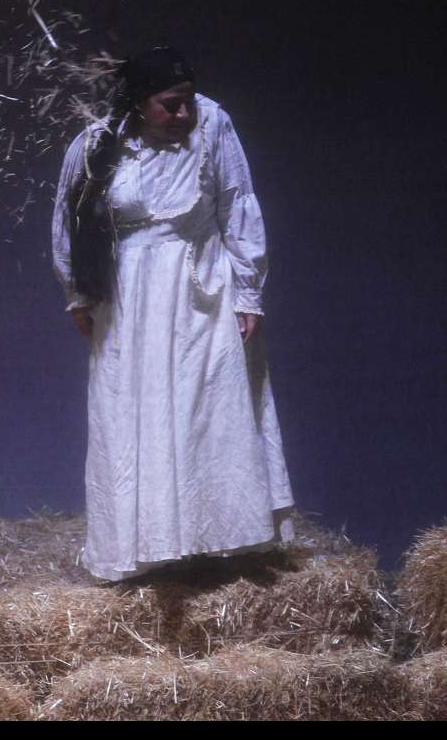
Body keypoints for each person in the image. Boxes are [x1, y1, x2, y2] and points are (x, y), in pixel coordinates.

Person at [52, 47, 294, 582]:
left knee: (206, 409)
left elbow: (237, 203)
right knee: (132, 414)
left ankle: (218, 541)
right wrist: (79, 293)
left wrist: (247, 293)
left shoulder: (213, 124)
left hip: (201, 293)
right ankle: (149, 547)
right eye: (170, 104)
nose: (183, 113)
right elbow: (69, 219)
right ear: (139, 103)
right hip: (128, 299)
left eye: (187, 101)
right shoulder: (97, 142)